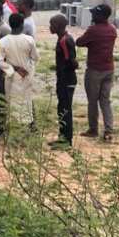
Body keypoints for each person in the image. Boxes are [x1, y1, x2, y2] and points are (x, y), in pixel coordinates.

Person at [76, 4, 117, 142]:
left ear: (100, 16)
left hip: (95, 70)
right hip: (109, 69)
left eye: (94, 14)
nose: (92, 16)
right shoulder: (112, 30)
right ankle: (108, 130)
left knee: (92, 101)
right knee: (105, 101)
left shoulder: (93, 30)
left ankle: (93, 129)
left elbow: (79, 42)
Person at [0, 13, 39, 129]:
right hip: (26, 74)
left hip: (11, 75)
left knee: (12, 101)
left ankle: (13, 127)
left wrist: (13, 68)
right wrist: (25, 67)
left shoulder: (3, 41)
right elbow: (36, 57)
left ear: (10, 24)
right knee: (26, 100)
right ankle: (27, 126)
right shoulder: (29, 40)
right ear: (22, 24)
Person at [50, 14, 78, 147]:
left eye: (52, 24)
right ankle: (62, 136)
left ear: (59, 26)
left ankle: (66, 140)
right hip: (63, 79)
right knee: (62, 108)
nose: (50, 27)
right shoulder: (62, 39)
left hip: (66, 80)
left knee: (65, 110)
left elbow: (71, 62)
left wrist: (62, 69)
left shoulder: (64, 41)